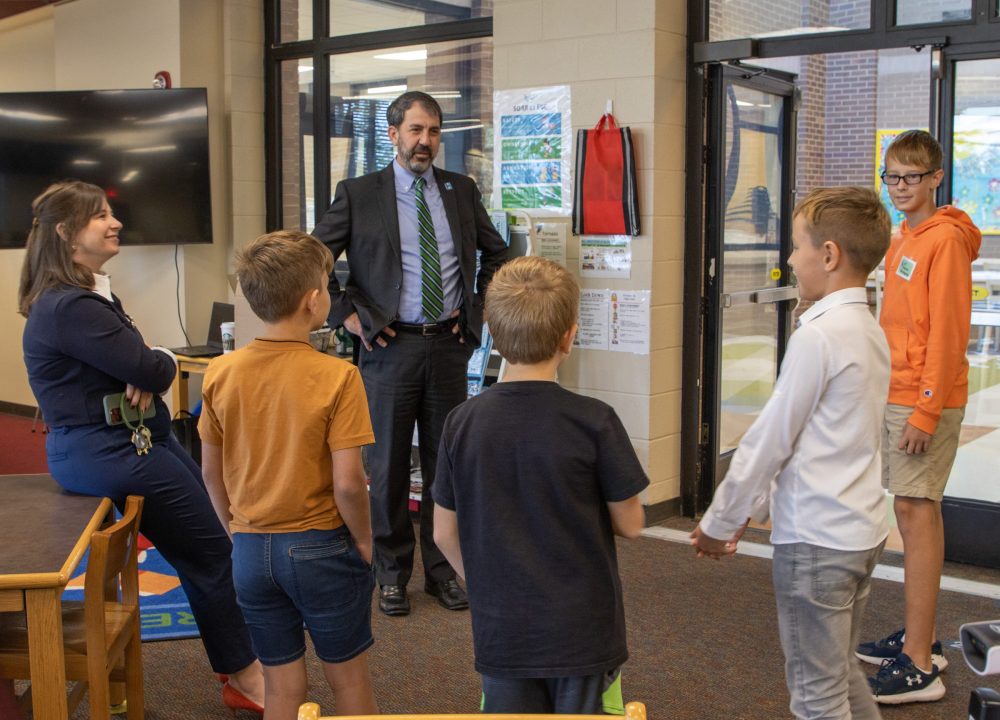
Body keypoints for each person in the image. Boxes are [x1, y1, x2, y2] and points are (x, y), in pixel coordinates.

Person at [17, 180, 264, 712]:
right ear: (66, 233)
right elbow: (150, 365)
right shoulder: (69, 307)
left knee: (211, 548)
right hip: (112, 451)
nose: (115, 222)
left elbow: (142, 362)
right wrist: (156, 363)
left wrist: (148, 364)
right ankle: (244, 676)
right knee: (213, 555)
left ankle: (242, 667)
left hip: (131, 439)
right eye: (100, 216)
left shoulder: (84, 296)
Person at [691, 187, 892, 720]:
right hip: (858, 531)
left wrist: (720, 520)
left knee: (816, 696)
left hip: (818, 543)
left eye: (797, 246)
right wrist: (751, 513)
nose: (788, 258)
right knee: (840, 673)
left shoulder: (820, 336)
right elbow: (813, 442)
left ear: (828, 256)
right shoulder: (868, 329)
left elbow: (770, 440)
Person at [312, 90, 508, 617]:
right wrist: (346, 314)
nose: (426, 141)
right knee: (390, 465)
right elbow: (312, 257)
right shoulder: (359, 193)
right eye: (416, 130)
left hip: (448, 346)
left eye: (434, 131)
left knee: (446, 463)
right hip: (388, 346)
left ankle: (443, 569)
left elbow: (497, 251)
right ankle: (391, 573)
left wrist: (478, 310)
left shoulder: (460, 190)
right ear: (393, 134)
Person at [432, 256, 649, 714]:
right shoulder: (595, 421)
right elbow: (631, 524)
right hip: (584, 629)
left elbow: (442, 533)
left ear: (489, 327)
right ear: (570, 336)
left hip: (502, 627)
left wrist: (486, 583)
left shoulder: (461, 423)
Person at [199, 230, 378, 720]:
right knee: (350, 683)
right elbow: (348, 483)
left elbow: (211, 473)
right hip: (320, 546)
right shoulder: (339, 376)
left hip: (251, 551)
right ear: (313, 300)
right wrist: (364, 540)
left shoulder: (219, 372)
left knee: (281, 686)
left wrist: (235, 532)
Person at [856, 130, 982, 703]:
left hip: (924, 399)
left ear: (935, 177)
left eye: (911, 176)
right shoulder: (903, 238)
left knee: (915, 510)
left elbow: (950, 335)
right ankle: (921, 636)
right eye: (892, 177)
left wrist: (926, 412)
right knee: (909, 509)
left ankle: (919, 665)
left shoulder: (945, 241)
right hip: (900, 390)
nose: (900, 187)